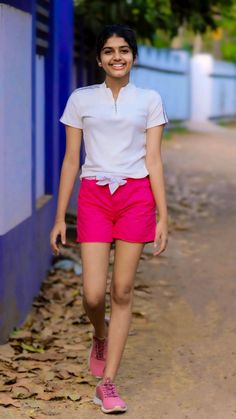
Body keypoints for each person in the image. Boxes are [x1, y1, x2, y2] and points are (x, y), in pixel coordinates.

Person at [50, 24, 168, 415]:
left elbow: (153, 160)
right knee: (93, 295)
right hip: (95, 198)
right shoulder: (81, 100)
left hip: (136, 198)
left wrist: (162, 216)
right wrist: (58, 218)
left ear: (133, 56)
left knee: (121, 291)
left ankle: (108, 383)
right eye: (108, 51)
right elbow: (71, 159)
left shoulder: (149, 99)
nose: (117, 57)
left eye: (124, 50)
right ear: (99, 58)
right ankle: (99, 335)